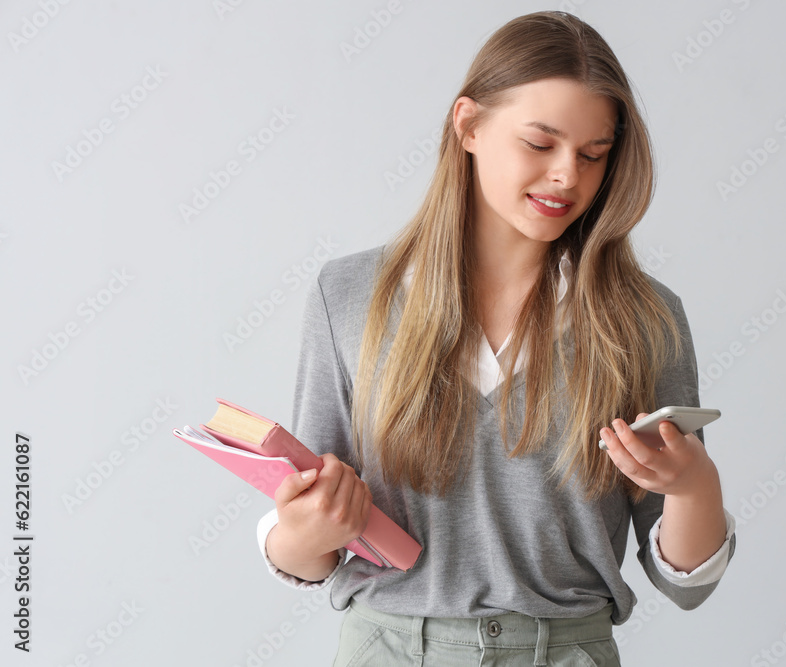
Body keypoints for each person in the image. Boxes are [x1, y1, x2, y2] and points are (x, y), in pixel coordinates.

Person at [256, 10, 736, 666]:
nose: (569, 175)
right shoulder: (347, 296)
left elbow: (685, 582)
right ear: (469, 125)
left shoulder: (644, 319)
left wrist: (694, 487)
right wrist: (304, 531)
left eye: (594, 154)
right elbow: (309, 552)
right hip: (389, 647)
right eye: (541, 144)